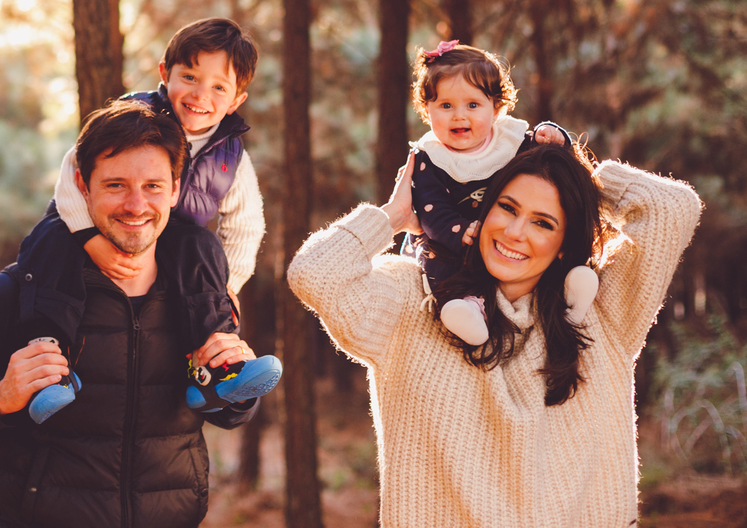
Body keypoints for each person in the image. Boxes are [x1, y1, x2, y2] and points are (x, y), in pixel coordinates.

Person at [288, 143, 701, 528]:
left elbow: (672, 208)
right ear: (483, 209)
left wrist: (576, 167)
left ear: (563, 244)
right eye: (507, 207)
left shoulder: (599, 310)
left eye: (543, 222)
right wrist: (394, 216)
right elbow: (315, 274)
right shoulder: (411, 299)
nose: (515, 232)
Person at [0, 100, 264, 528]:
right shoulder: (20, 292)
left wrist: (237, 392)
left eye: (153, 186)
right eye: (116, 185)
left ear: (176, 189)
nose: (136, 206)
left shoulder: (201, 293)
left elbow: (225, 413)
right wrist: (1, 399)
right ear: (83, 185)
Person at [29, 17, 279, 416]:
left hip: (166, 246)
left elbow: (246, 226)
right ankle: (50, 372)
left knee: (202, 247)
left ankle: (217, 369)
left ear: (236, 100)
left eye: (219, 87)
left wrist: (229, 285)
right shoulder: (132, 116)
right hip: (88, 226)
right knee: (48, 244)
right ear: (165, 74)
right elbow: (70, 176)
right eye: (190, 77)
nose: (201, 95)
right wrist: (89, 240)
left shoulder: (230, 156)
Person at [406, 39, 598, 346]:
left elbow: (551, 163)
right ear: (426, 111)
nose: (459, 115)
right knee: (438, 262)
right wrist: (459, 232)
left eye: (472, 105)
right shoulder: (429, 158)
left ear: (497, 108)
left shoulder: (508, 140)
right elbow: (431, 208)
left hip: (500, 236)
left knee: (547, 236)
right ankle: (467, 308)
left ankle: (571, 282)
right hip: (456, 240)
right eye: (445, 106)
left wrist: (555, 135)